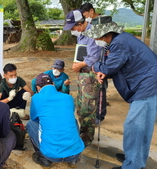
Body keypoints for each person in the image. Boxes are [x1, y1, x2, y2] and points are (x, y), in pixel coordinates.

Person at [83, 22, 157, 169]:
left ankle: (133, 165)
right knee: (140, 127)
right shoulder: (120, 40)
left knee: (135, 127)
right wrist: (105, 71)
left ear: (105, 35)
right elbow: (117, 66)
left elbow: (110, 66)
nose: (96, 40)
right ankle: (134, 158)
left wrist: (96, 67)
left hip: (147, 86)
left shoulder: (119, 43)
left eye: (96, 37)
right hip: (146, 83)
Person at [26, 73, 84, 168]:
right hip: (75, 153)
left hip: (51, 155)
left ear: (38, 88)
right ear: (53, 84)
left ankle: (44, 159)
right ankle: (74, 160)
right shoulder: (68, 97)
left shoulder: (36, 98)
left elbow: (35, 118)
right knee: (73, 120)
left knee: (31, 124)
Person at [63, 9, 103, 147]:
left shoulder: (93, 33)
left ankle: (86, 139)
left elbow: (93, 57)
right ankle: (82, 133)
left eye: (73, 27)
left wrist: (79, 65)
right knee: (80, 106)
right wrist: (78, 64)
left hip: (91, 75)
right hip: (83, 74)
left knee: (87, 108)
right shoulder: (82, 33)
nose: (72, 30)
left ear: (80, 23)